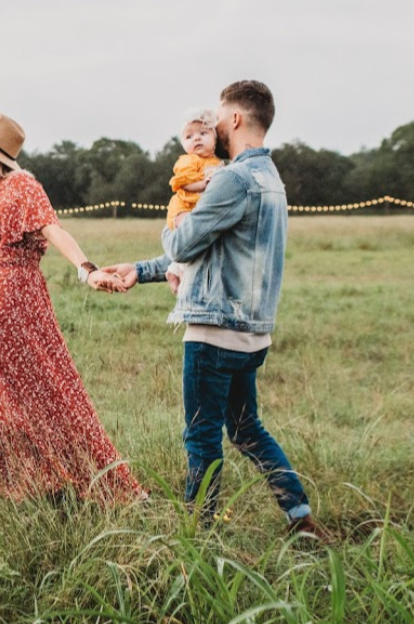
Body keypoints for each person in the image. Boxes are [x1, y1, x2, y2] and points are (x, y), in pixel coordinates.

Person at [101, 81, 323, 536]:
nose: (214, 126)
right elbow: (211, 251)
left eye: (219, 118)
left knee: (201, 437)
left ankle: (197, 536)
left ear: (236, 119)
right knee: (246, 431)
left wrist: (174, 222)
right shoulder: (271, 180)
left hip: (214, 333)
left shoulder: (232, 179)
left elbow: (183, 241)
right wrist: (140, 270)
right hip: (253, 333)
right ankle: (299, 517)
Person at [0, 111, 145, 503]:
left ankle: (63, 479)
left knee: (42, 389)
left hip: (12, 299)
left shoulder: (22, 185)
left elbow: (53, 228)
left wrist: (87, 270)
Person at [164, 108, 224, 294]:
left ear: (215, 138)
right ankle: (179, 273)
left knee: (198, 239)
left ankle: (174, 270)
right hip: (184, 206)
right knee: (189, 234)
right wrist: (202, 184)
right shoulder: (189, 160)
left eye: (203, 133)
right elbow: (182, 183)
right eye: (189, 137)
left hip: (198, 207)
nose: (196, 139)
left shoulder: (217, 162)